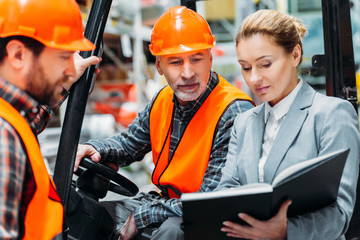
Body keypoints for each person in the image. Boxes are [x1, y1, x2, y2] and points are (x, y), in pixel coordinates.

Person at [74, 6, 255, 240]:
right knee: (85, 216)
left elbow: (212, 201)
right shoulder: (163, 100)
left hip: (209, 217)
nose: (188, 72)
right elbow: (129, 145)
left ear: (210, 58)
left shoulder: (233, 111)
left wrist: (144, 216)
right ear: (159, 66)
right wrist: (96, 149)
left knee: (172, 231)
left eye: (196, 59)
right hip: (166, 203)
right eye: (176, 62)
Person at [216, 9, 360, 240]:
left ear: (295, 55)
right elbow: (226, 189)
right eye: (246, 67)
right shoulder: (243, 123)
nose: (254, 78)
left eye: (265, 64)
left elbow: (340, 213)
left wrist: (286, 231)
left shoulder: (331, 114)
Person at [0, 0, 101, 239]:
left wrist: (63, 83)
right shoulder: (3, 138)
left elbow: (27, 123)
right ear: (18, 55)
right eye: (63, 57)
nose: (71, 68)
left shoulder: (12, 118)